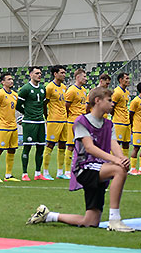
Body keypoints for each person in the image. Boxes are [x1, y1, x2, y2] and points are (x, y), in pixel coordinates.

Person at [27, 87, 133, 231]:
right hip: (84, 168)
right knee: (119, 170)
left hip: (99, 169)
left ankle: (48, 215)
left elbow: (114, 145)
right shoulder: (81, 121)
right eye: (109, 100)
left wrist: (122, 158)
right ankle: (115, 220)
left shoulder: (109, 124)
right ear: (97, 101)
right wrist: (116, 161)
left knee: (90, 221)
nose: (112, 104)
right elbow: (89, 148)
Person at [16, 66, 47, 181]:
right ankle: (24, 173)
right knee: (27, 147)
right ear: (30, 75)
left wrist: (45, 117)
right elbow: (18, 105)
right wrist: (26, 114)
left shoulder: (43, 88)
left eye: (40, 73)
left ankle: (38, 173)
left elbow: (44, 105)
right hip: (29, 122)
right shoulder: (25, 89)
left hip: (40, 121)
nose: (39, 75)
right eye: (36, 73)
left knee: (40, 147)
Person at [0, 72, 19, 183]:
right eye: (8, 79)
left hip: (13, 126)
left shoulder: (14, 95)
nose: (11, 81)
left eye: (12, 79)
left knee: (12, 150)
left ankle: (8, 175)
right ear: (3, 82)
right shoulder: (0, 94)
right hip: (2, 127)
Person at [43, 65, 68, 180]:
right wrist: (47, 116)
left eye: (64, 73)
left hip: (64, 120)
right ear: (55, 74)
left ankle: (59, 172)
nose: (64, 75)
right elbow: (44, 103)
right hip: (53, 119)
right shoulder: (49, 87)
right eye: (62, 73)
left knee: (62, 145)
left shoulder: (64, 87)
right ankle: (45, 172)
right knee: (50, 144)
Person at [64, 68, 88, 179]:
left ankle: (78, 168)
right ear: (78, 77)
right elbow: (66, 106)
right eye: (84, 76)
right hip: (73, 122)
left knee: (81, 146)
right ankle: (67, 171)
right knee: (70, 146)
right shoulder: (71, 90)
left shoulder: (83, 90)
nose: (86, 79)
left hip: (82, 121)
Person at [110, 72, 132, 158]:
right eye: (126, 78)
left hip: (126, 122)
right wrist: (116, 115)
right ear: (120, 80)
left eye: (128, 78)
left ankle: (124, 164)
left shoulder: (127, 92)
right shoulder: (116, 92)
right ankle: (113, 164)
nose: (128, 80)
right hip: (118, 122)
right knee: (116, 144)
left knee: (126, 144)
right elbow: (111, 107)